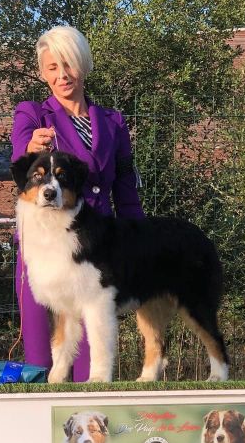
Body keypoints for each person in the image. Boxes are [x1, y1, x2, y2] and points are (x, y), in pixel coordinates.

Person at [10, 25, 144, 378]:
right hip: (41, 249)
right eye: (52, 67)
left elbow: (125, 185)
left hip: (93, 249)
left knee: (89, 365)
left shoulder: (114, 122)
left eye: (68, 64)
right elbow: (19, 152)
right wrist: (30, 148)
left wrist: (138, 235)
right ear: (42, 73)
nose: (62, 75)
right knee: (40, 360)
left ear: (83, 65)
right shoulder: (32, 114)